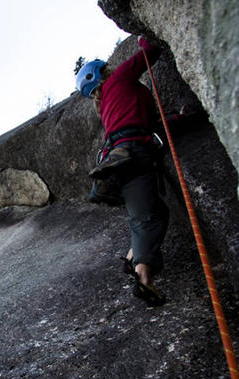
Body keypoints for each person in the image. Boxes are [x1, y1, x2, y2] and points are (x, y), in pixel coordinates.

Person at [76, 36, 168, 307]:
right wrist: (144, 38)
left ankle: (132, 257)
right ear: (103, 73)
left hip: (120, 160)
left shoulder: (105, 105)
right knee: (147, 218)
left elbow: (139, 125)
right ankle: (144, 279)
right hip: (135, 157)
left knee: (154, 213)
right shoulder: (119, 80)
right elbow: (149, 53)